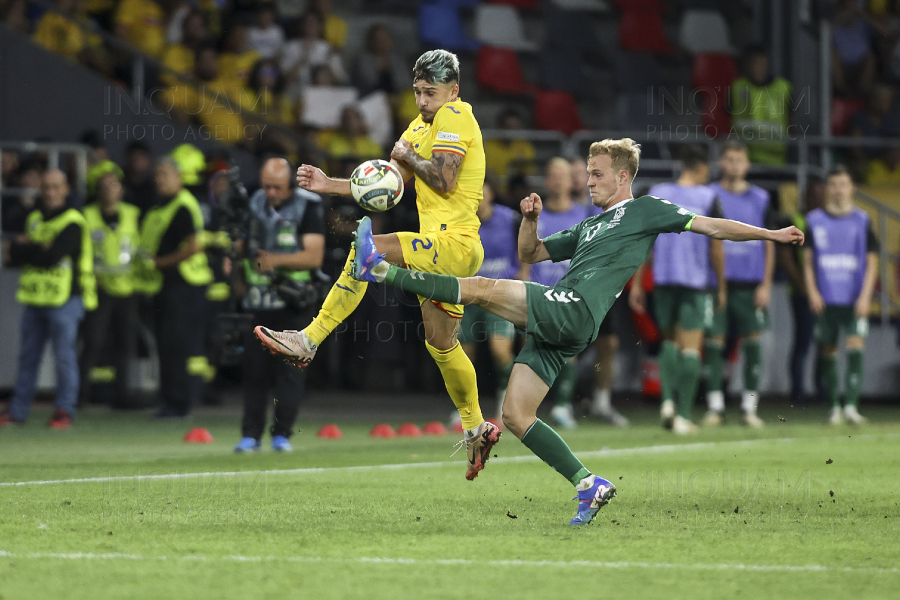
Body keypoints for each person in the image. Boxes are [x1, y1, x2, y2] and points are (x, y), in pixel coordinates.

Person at [347, 138, 804, 525]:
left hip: (575, 308)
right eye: (588, 173)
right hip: (569, 322)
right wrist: (529, 219)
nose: (589, 181)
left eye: (597, 174)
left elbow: (713, 227)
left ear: (623, 177)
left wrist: (773, 235)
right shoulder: (589, 226)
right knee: (515, 416)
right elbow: (534, 252)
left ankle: (380, 269)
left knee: (483, 288)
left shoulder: (645, 210)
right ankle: (588, 483)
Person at [256, 50, 500, 481]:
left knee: (364, 246)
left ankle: (310, 339)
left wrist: (409, 153)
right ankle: (476, 427)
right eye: (418, 92)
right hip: (443, 248)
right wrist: (329, 185)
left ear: (453, 90)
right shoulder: (418, 128)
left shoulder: (457, 116)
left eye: (431, 92)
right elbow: (389, 185)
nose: (423, 100)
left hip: (456, 242)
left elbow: (442, 178)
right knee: (441, 344)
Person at [233, 158, 325, 452]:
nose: (270, 193)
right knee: (253, 371)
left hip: (293, 300)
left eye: (277, 187)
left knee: (289, 372)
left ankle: (281, 435)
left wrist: (274, 260)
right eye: (266, 186)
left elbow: (314, 256)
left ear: (290, 186)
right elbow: (241, 244)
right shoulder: (252, 201)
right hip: (257, 298)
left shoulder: (308, 205)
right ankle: (250, 435)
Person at [630, 146, 724, 434]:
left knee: (668, 342)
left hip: (663, 279)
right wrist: (721, 285)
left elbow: (644, 241)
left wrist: (636, 283)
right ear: (701, 169)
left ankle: (667, 402)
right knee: (691, 348)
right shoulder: (708, 197)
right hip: (695, 282)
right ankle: (683, 414)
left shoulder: (658, 192)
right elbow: (716, 245)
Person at [0, 170, 97, 428]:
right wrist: (35, 247)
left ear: (66, 189)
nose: (50, 192)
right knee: (27, 358)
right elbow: (10, 255)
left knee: (64, 357)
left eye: (56, 187)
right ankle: (17, 411)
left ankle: (64, 410)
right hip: (35, 298)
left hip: (65, 299)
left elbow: (51, 256)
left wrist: (29, 247)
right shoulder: (33, 217)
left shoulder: (73, 221)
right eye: (46, 187)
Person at [703, 142, 777, 428]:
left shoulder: (761, 198)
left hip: (749, 283)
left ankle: (749, 408)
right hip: (716, 281)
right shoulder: (710, 194)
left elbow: (770, 242)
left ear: (747, 165)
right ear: (721, 162)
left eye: (739, 160)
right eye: (729, 159)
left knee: (753, 343)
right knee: (713, 343)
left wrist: (766, 284)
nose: (734, 165)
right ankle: (715, 407)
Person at [136, 158, 213, 418]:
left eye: (165, 174)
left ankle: (178, 403)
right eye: (157, 174)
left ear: (178, 178)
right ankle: (169, 400)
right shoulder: (161, 207)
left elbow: (193, 246)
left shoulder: (182, 206)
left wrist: (161, 263)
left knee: (175, 344)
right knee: (166, 345)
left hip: (183, 285)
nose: (160, 180)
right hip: (165, 286)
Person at [804, 167, 879, 425]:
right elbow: (807, 262)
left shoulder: (863, 219)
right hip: (826, 299)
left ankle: (851, 407)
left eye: (843, 184)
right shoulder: (814, 220)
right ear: (827, 188)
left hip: (853, 298)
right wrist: (812, 291)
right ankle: (833, 406)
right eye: (833, 184)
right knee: (828, 352)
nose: (838, 189)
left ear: (852, 188)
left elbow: (872, 261)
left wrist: (866, 296)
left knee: (856, 349)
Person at [455, 174, 524, 427]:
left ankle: (506, 402)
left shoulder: (510, 219)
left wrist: (523, 276)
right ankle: (465, 410)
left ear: (491, 193)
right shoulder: (459, 221)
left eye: (480, 190)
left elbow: (525, 248)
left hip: (499, 294)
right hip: (468, 294)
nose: (476, 196)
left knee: (500, 350)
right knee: (463, 355)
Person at [531, 158, 588, 429]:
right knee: (530, 347)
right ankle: (528, 405)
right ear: (545, 180)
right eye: (552, 175)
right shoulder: (536, 214)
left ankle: (563, 406)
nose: (557, 180)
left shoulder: (583, 216)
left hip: (569, 292)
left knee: (568, 349)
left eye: (562, 176)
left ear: (571, 181)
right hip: (537, 291)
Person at [573, 157, 629, 427]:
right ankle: (560, 403)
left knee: (609, 343)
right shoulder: (576, 209)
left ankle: (602, 401)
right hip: (577, 287)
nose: (584, 180)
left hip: (606, 287)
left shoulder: (608, 206)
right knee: (570, 345)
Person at [80, 172, 141, 408]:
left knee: (125, 344)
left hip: (128, 289)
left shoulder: (132, 214)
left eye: (113, 185)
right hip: (99, 288)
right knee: (92, 341)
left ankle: (123, 395)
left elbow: (140, 249)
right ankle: (81, 395)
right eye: (103, 186)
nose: (108, 190)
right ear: (97, 191)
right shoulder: (87, 215)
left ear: (121, 190)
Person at [777, 176, 826, 405]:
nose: (819, 198)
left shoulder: (827, 221)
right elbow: (786, 259)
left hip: (827, 294)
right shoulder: (795, 220)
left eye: (821, 194)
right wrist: (804, 288)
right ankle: (798, 392)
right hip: (801, 294)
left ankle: (823, 390)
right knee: (803, 341)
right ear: (805, 196)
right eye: (814, 194)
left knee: (825, 341)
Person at [730, 46, 793, 166]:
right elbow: (729, 120)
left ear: (767, 63)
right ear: (747, 65)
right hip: (745, 159)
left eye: (760, 62)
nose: (757, 67)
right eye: (753, 63)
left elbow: (791, 122)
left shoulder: (783, 88)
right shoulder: (737, 87)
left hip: (776, 160)